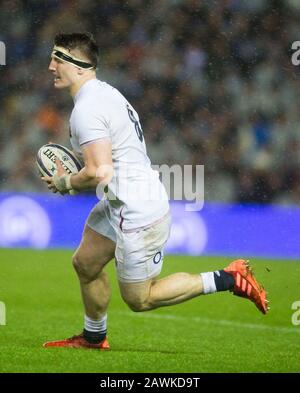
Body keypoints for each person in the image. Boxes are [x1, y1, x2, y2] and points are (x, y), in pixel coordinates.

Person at [42, 33, 269, 350]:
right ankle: (94, 337)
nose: (51, 66)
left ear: (79, 67)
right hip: (120, 199)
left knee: (141, 299)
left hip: (138, 209)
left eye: (58, 59)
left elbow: (98, 171)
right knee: (86, 263)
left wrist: (66, 182)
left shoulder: (87, 109)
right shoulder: (105, 94)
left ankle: (229, 277)